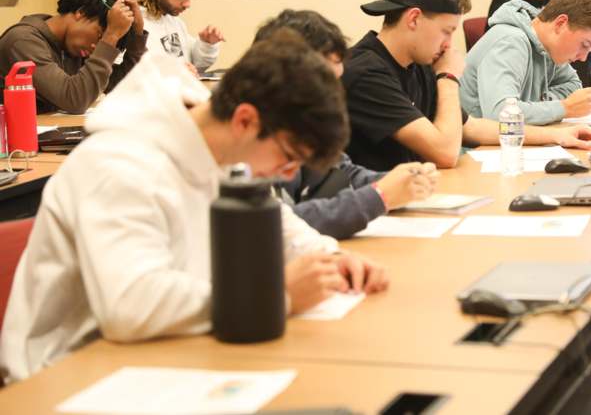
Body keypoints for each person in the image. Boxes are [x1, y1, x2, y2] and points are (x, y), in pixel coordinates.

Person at [0, 30, 388, 383]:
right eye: (288, 157)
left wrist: (328, 256)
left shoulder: (216, 139)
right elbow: (131, 307)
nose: (286, 174)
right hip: (65, 374)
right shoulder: (119, 164)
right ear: (245, 120)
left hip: (158, 355)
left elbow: (273, 216)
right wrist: (274, 294)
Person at [343, 0, 591, 172]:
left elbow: (473, 128)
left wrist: (557, 137)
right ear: (413, 19)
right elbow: (445, 153)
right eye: (446, 31)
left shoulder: (416, 63)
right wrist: (447, 77)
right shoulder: (368, 72)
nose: (449, 44)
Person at [254, 9, 439, 239]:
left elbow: (341, 172)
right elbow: (278, 225)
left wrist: (403, 181)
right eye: (325, 83)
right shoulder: (249, 136)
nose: (334, 95)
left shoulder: (301, 120)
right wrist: (380, 196)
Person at [461, 0, 591, 126]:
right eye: (584, 45)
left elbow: (573, 87)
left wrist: (531, 105)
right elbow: (501, 114)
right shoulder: (510, 42)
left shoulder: (548, 49)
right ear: (560, 24)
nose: (583, 57)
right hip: (472, 149)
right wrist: (563, 108)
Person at [0, 0, 145, 114]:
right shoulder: (23, 41)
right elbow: (75, 100)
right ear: (81, 12)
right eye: (100, 35)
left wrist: (137, 34)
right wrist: (110, 36)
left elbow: (119, 87)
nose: (97, 47)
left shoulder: (72, 46)